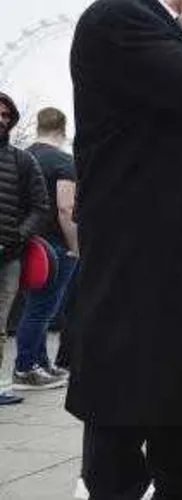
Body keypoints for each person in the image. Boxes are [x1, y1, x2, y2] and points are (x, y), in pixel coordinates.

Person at [67, 0, 182, 498]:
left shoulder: (172, 38)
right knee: (124, 388)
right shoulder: (119, 16)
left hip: (176, 238)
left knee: (173, 385)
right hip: (137, 240)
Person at [12, 108, 77, 392]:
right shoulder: (63, 161)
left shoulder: (21, 157)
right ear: (63, 129)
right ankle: (25, 369)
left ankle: (40, 362)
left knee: (32, 306)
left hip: (27, 243)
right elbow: (66, 208)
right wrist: (76, 246)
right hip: (55, 246)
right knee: (42, 310)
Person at [0, 92, 49, 406]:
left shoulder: (22, 160)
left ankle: (1, 384)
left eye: (6, 115)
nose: (2, 120)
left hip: (7, 257)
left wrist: (18, 236)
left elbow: (40, 206)